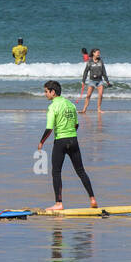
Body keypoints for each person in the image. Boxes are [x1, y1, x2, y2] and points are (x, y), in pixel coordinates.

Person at [39, 80, 98, 210]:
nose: (45, 94)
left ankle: (58, 203)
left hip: (60, 141)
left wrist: (41, 142)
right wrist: (70, 134)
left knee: (56, 172)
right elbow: (76, 124)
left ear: (53, 92)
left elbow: (49, 128)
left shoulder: (53, 106)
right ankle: (92, 199)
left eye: (46, 92)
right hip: (73, 140)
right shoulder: (70, 104)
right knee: (81, 171)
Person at [80, 48, 110, 113]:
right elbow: (86, 71)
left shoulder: (101, 61)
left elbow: (104, 72)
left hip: (100, 81)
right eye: (97, 53)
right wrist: (83, 81)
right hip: (92, 81)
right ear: (93, 53)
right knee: (88, 96)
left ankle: (99, 109)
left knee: (100, 95)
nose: (99, 54)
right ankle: (84, 109)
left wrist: (107, 81)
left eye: (99, 53)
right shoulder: (89, 62)